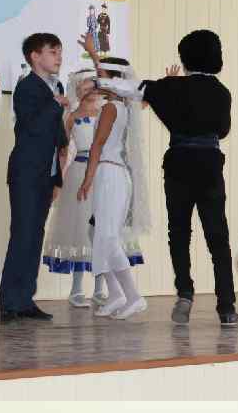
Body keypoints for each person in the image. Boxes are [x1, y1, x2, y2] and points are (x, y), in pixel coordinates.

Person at [81, 29, 238, 328]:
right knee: (218, 236)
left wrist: (98, 80)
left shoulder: (170, 87)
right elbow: (223, 130)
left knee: (178, 233)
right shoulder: (222, 92)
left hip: (178, 164)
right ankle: (227, 306)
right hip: (209, 165)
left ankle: (185, 293)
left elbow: (131, 88)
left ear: (185, 57)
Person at [0, 33, 69, 323]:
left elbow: (56, 134)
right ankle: (9, 303)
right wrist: (55, 105)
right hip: (26, 172)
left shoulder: (56, 87)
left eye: (60, 52)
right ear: (35, 56)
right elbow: (32, 127)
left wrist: (57, 177)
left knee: (35, 236)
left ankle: (25, 299)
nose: (58, 57)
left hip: (45, 174)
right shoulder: (26, 87)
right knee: (22, 235)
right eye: (53, 52)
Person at [77, 57, 151, 320]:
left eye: (103, 75)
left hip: (110, 173)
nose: (100, 80)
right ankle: (116, 293)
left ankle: (133, 296)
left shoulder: (111, 108)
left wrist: (87, 179)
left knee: (107, 236)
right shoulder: (122, 106)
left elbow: (97, 144)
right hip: (110, 174)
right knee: (97, 232)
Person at [42, 70, 109, 306]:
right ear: (77, 89)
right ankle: (77, 289)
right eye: (84, 87)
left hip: (103, 173)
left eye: (93, 86)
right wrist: (57, 181)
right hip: (79, 174)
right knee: (80, 228)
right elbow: (62, 151)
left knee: (102, 229)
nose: (90, 91)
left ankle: (101, 288)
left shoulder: (106, 113)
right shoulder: (71, 117)